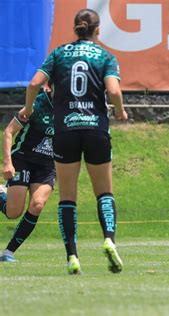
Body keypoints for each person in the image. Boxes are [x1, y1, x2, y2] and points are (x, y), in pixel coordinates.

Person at [18, 9, 128, 274]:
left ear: (76, 28)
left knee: (68, 196)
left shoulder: (58, 53)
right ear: (97, 30)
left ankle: (72, 257)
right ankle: (109, 240)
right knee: (104, 192)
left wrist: (28, 109)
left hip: (65, 130)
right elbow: (113, 90)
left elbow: (34, 84)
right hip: (95, 130)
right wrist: (121, 111)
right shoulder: (105, 56)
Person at [0, 89, 55, 262]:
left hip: (47, 166)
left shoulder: (70, 108)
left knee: (37, 205)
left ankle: (8, 252)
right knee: (13, 212)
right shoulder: (36, 105)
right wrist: (7, 163)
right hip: (23, 160)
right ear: (51, 86)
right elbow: (9, 131)